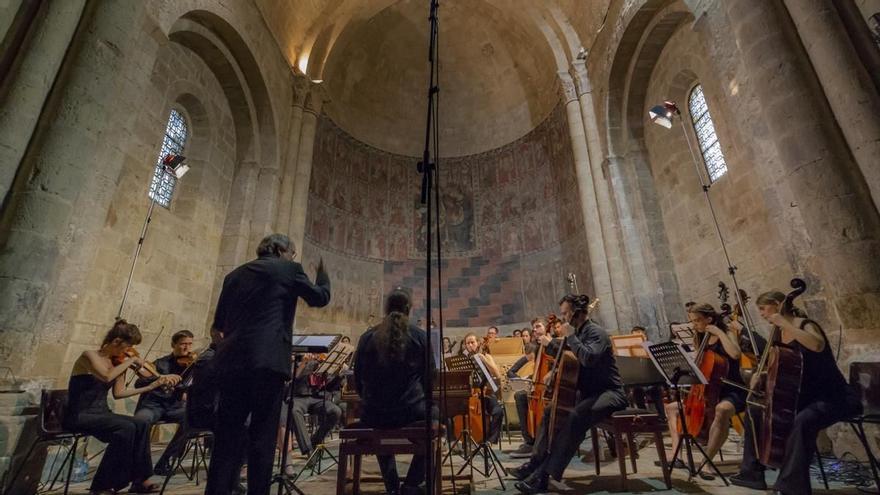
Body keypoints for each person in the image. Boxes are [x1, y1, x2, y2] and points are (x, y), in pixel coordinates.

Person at [205, 233, 331, 495]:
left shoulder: (234, 275)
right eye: (292, 253)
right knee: (262, 437)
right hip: (267, 363)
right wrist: (323, 272)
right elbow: (319, 297)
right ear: (282, 250)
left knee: (227, 435)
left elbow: (217, 329)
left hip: (230, 363)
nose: (293, 258)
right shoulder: (289, 269)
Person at [729, 291, 862, 494]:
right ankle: (752, 473)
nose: (762, 315)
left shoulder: (804, 324)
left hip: (833, 397)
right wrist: (760, 375)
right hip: (801, 397)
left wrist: (785, 322)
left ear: (777, 305)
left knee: (803, 421)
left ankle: (792, 487)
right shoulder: (778, 334)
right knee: (755, 410)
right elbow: (778, 366)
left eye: (764, 309)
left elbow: (817, 345)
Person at [513, 294, 628, 494]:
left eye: (566, 313)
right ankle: (535, 463)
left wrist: (570, 336)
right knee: (551, 411)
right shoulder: (579, 332)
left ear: (577, 313)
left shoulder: (596, 332)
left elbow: (587, 358)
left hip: (610, 392)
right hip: (588, 394)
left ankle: (543, 476)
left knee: (575, 416)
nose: (563, 317)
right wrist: (552, 348)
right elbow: (567, 350)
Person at [64, 320, 181, 495]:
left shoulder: (118, 362)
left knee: (140, 424)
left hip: (101, 413)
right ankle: (101, 486)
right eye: (128, 346)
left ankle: (140, 480)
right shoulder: (89, 356)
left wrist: (150, 386)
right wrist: (132, 360)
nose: (128, 351)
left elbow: (119, 393)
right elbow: (105, 376)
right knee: (125, 428)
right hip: (79, 414)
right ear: (116, 341)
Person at [354, 288, 435, 495]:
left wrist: (370, 401)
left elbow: (358, 380)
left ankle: (391, 486)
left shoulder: (367, 337)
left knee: (378, 419)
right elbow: (430, 379)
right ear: (409, 309)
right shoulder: (420, 337)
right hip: (411, 412)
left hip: (374, 414)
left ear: (386, 308)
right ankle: (412, 483)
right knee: (435, 417)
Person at [664, 303, 743, 472]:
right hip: (707, 391)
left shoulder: (728, 332)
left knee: (721, 410)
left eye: (697, 321)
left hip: (731, 389)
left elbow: (736, 354)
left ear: (710, 319)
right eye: (692, 321)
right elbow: (701, 367)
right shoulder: (699, 337)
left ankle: (708, 461)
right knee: (671, 408)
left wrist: (720, 333)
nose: (694, 325)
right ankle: (676, 454)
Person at [133, 329, 194, 475]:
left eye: (190, 344)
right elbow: (139, 384)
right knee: (140, 421)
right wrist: (160, 379)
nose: (187, 348)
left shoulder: (192, 366)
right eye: (183, 344)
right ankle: (141, 470)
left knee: (192, 417)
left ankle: (166, 460)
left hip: (174, 407)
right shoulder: (160, 363)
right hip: (153, 405)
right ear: (173, 345)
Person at [287, 353, 342, 456]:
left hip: (315, 397)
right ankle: (308, 449)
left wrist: (339, 374)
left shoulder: (319, 364)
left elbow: (329, 387)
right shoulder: (295, 361)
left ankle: (316, 440)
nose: (316, 354)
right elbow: (291, 378)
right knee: (294, 410)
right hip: (297, 397)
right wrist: (304, 363)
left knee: (336, 411)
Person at [461, 333, 505, 444]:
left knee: (498, 411)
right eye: (468, 343)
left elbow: (497, 374)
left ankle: (491, 440)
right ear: (465, 345)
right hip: (471, 395)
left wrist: (484, 359)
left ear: (478, 343)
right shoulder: (463, 359)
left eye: (472, 342)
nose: (470, 345)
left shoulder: (486, 356)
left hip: (486, 393)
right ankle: (465, 438)